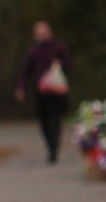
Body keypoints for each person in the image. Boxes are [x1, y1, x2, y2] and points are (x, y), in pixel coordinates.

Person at [14, 21, 74, 163]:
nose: (42, 36)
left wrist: (60, 64)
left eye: (44, 33)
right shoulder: (33, 51)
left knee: (55, 119)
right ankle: (49, 145)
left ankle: (54, 148)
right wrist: (20, 87)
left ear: (50, 33)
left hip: (55, 90)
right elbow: (25, 71)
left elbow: (70, 64)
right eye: (39, 34)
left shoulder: (58, 48)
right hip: (40, 91)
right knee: (44, 121)